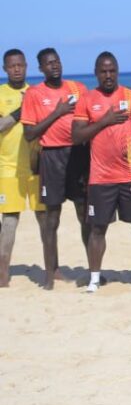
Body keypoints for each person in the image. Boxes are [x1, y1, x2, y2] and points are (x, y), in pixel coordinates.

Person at [72, 52, 131, 293]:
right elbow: (77, 136)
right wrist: (104, 120)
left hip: (129, 178)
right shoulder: (87, 100)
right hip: (100, 179)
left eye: (112, 71)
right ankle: (94, 279)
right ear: (96, 73)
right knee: (97, 228)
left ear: (117, 71)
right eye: (103, 71)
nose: (108, 75)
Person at [21, 48, 89, 289]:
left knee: (85, 215)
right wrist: (57, 113)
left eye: (57, 61)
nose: (54, 66)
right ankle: (51, 273)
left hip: (78, 155)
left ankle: (93, 271)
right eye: (49, 63)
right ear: (41, 68)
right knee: (52, 218)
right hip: (51, 157)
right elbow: (29, 134)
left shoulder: (77, 88)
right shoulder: (34, 94)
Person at [0, 49, 46, 287]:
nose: (16, 69)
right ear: (5, 69)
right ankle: (2, 271)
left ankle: (52, 269)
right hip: (8, 167)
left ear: (27, 66)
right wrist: (21, 110)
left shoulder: (36, 92)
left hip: (36, 166)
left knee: (45, 218)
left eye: (20, 65)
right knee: (9, 220)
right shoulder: (1, 94)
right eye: (11, 66)